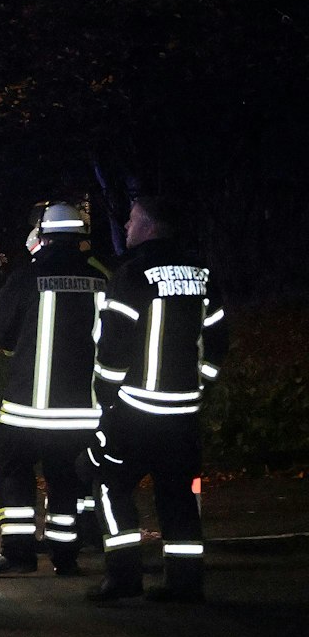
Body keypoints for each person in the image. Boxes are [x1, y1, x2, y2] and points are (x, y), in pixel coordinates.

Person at [85, 192, 229, 603]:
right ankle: (185, 583)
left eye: (132, 220)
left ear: (149, 226)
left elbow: (114, 344)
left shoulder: (132, 274)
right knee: (178, 493)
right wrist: (199, 385)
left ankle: (123, 576)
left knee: (110, 483)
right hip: (183, 413)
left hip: (135, 409)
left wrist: (106, 395)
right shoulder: (203, 273)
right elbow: (218, 338)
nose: (127, 227)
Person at [0, 202, 105, 576]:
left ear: (44, 236)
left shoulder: (26, 278)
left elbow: (3, 333)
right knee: (66, 477)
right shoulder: (103, 279)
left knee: (12, 471)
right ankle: (65, 554)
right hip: (84, 410)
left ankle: (18, 553)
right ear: (79, 238)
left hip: (26, 409)